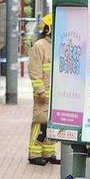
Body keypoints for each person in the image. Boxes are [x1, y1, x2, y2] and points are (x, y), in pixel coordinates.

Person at [27, 13, 58, 166]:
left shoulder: (57, 45)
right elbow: (34, 71)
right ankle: (34, 154)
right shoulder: (40, 46)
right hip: (43, 92)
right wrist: (39, 91)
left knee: (52, 123)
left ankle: (49, 152)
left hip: (55, 93)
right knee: (40, 122)